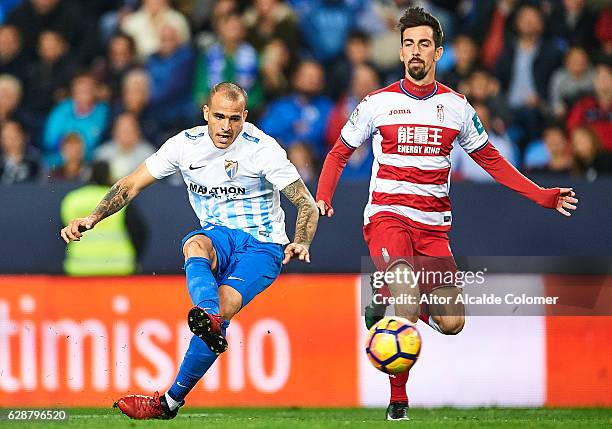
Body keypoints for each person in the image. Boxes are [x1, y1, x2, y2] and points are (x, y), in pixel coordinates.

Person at [315, 7, 578, 421]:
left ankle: (386, 306)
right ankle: (398, 400)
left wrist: (541, 195)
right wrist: (325, 195)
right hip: (388, 217)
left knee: (453, 322)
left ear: (438, 52)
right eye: (408, 44)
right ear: (401, 53)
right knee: (404, 293)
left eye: (423, 44)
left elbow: (492, 160)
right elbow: (338, 153)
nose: (415, 51)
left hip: (433, 230)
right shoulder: (377, 104)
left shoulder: (456, 108)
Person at [60, 82, 319, 419]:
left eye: (235, 119)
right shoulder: (185, 146)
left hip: (262, 245)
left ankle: (169, 401)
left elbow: (306, 204)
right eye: (220, 117)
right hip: (217, 237)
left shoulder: (263, 148)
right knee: (194, 243)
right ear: (206, 114)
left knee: (223, 310)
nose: (227, 127)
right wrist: (93, 217)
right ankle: (207, 316)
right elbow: (131, 184)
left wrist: (301, 240)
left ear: (245, 117)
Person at [61, 160, 138, 276]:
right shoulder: (119, 200)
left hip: (80, 267)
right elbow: (138, 232)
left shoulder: (73, 199)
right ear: (109, 176)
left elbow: (64, 232)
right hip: (117, 267)